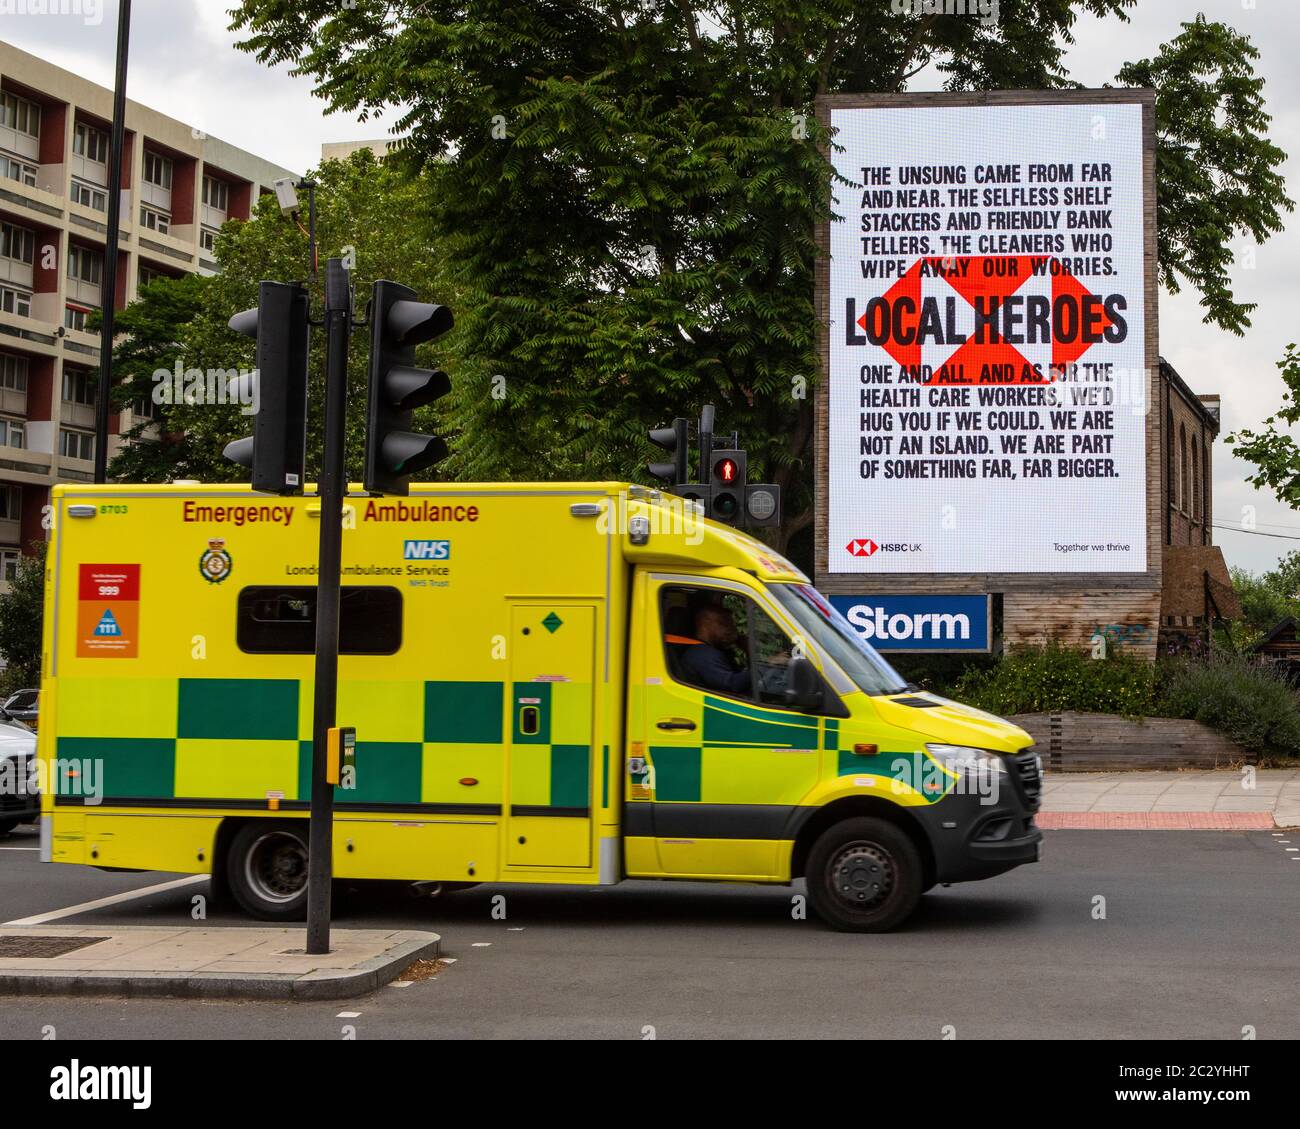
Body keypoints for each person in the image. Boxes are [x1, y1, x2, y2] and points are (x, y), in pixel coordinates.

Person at [675, 602, 752, 695]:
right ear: (706, 624)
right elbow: (733, 685)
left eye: (732, 624)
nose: (732, 629)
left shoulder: (709, 650)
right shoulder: (702, 655)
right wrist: (761, 669)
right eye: (724, 623)